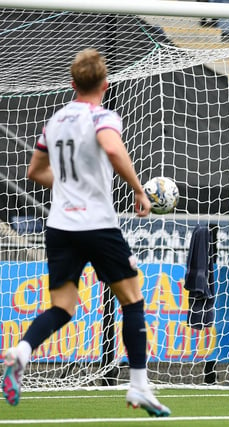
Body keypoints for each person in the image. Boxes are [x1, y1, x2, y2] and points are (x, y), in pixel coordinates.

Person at [1, 49, 170, 417]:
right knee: (133, 299)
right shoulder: (103, 115)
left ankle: (22, 351)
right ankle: (139, 385)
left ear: (73, 84)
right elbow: (111, 147)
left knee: (63, 306)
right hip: (96, 223)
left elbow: (34, 172)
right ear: (105, 85)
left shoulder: (56, 120)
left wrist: (67, 184)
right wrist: (139, 190)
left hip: (60, 225)